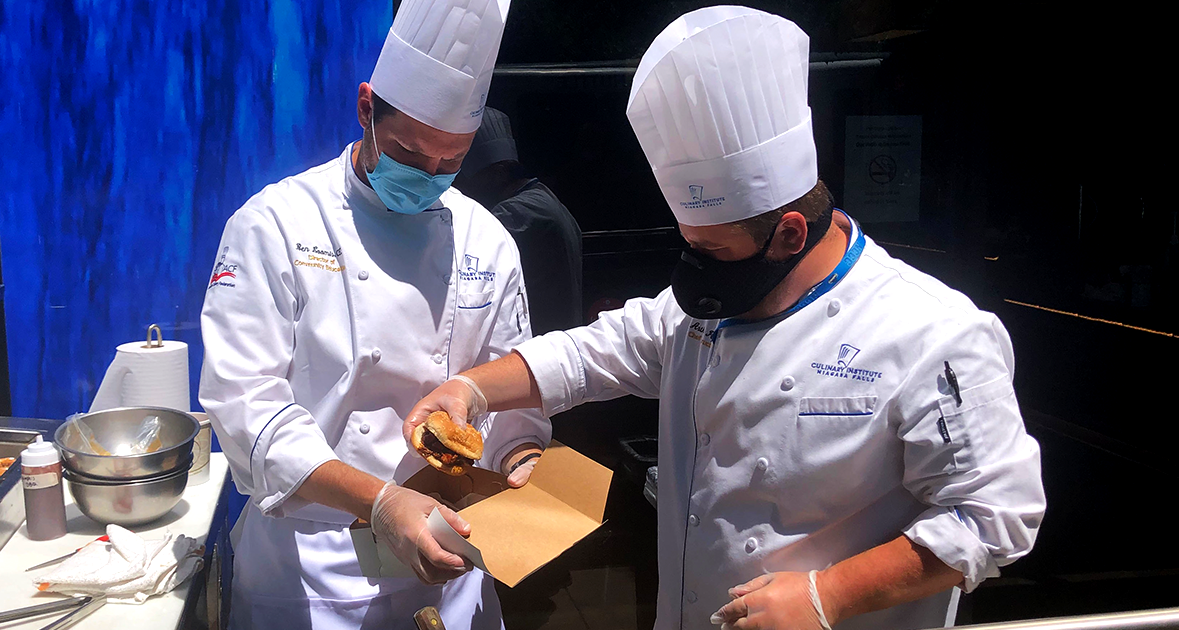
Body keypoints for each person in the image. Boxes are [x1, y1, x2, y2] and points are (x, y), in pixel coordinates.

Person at [404, 7, 1046, 630]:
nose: (696, 268)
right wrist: (472, 388)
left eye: (714, 251)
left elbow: (995, 516)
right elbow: (589, 354)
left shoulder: (934, 333)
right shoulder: (696, 316)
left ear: (790, 233)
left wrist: (831, 595)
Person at [198, 0, 549, 627]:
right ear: (366, 108)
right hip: (307, 571)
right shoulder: (275, 225)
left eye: (451, 163)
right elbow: (247, 407)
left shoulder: (487, 240)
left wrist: (522, 461)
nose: (431, 177)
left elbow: (510, 394)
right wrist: (382, 501)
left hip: (449, 553)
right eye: (412, 157)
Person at [454, 107, 584, 333]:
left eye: (470, 180)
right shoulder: (541, 197)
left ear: (497, 173)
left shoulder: (518, 213)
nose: (467, 188)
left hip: (540, 339)